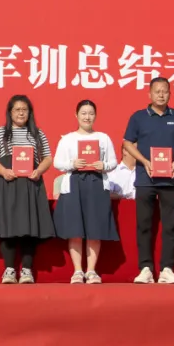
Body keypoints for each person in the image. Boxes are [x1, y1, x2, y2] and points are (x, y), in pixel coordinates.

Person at [122, 78, 174, 284]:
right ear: (150, 94)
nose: (161, 95)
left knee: (170, 227)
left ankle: (167, 269)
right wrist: (144, 161)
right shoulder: (138, 117)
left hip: (170, 180)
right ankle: (145, 268)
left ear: (170, 93)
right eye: (157, 91)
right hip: (146, 179)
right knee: (144, 226)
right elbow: (127, 143)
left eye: (165, 91)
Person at [0, 94, 55, 284]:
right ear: (10, 112)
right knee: (7, 227)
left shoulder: (37, 133)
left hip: (30, 184)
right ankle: (9, 270)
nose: (21, 113)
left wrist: (39, 170)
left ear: (30, 112)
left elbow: (47, 158)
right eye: (17, 109)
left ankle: (26, 270)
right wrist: (3, 171)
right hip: (7, 182)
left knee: (28, 227)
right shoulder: (0, 132)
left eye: (24, 109)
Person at [52, 100, 119, 285]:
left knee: (94, 229)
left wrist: (103, 165)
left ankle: (91, 271)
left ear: (95, 116)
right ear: (76, 115)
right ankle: (77, 271)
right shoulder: (67, 139)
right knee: (75, 229)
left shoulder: (103, 138)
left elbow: (113, 162)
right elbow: (57, 163)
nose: (87, 117)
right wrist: (72, 164)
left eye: (90, 113)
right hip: (74, 183)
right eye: (83, 113)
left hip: (96, 183)